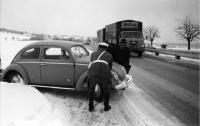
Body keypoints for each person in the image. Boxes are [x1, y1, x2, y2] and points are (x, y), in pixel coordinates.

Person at [87, 42, 113, 112]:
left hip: (93, 72)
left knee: (91, 89)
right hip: (104, 73)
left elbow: (91, 63)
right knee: (106, 90)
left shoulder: (93, 54)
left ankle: (90, 107)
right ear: (106, 48)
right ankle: (106, 107)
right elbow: (110, 67)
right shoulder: (109, 55)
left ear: (98, 47)